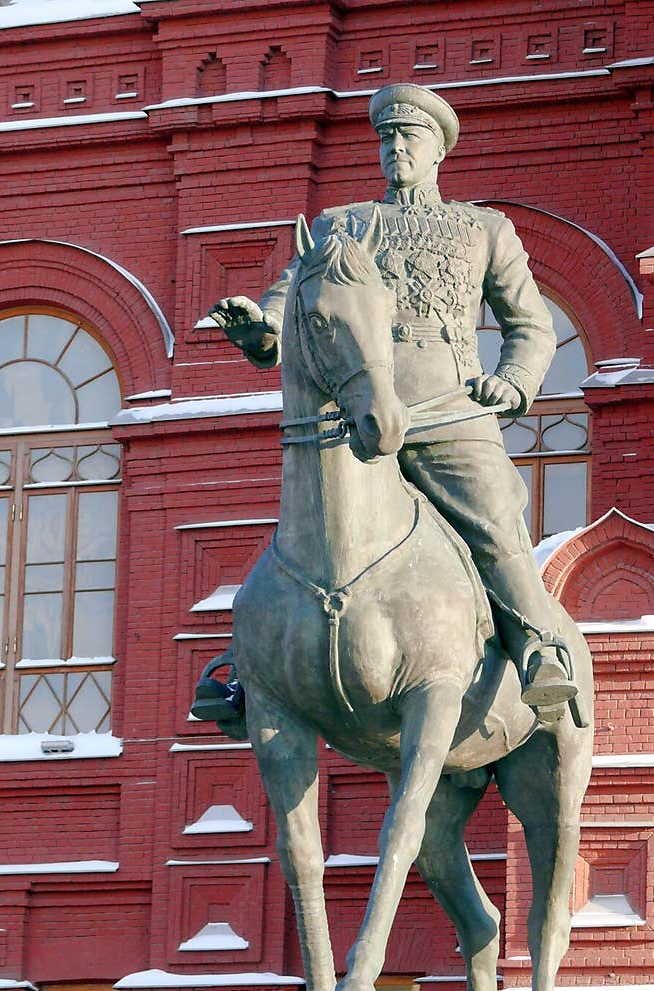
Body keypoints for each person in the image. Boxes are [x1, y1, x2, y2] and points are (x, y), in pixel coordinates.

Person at [211, 83, 581, 723]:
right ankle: (252, 669)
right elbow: (298, 295)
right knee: (309, 523)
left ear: (437, 150)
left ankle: (538, 649)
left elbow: (531, 325)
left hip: (449, 410)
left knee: (494, 516)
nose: (395, 149)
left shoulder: (483, 229)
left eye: (408, 138)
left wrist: (513, 381)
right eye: (386, 139)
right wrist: (262, 325)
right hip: (355, 416)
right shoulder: (343, 225)